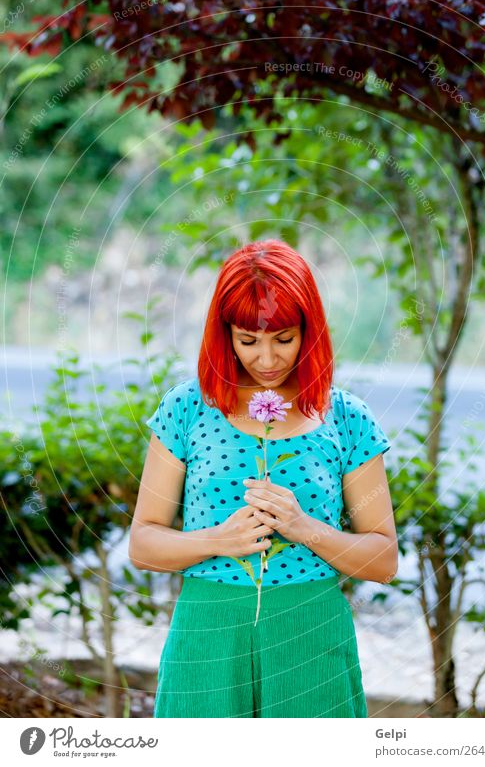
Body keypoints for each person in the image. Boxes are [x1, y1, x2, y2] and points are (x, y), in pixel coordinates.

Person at [129, 238, 398, 718]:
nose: (268, 359)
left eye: (284, 338)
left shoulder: (347, 418)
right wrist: (217, 540)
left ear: (309, 332)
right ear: (224, 334)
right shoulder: (185, 409)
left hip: (310, 635)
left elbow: (382, 561)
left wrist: (304, 528)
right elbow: (144, 545)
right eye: (248, 341)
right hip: (208, 632)